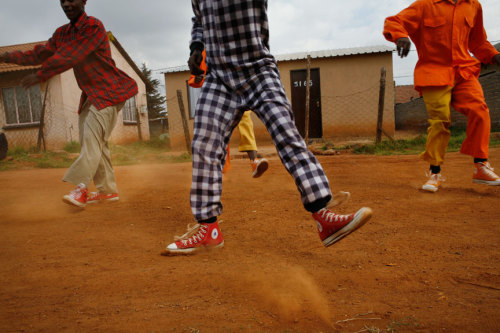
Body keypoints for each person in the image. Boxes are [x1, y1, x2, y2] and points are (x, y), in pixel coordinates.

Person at [162, 0, 372, 255]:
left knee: (287, 134)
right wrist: (197, 45)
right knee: (203, 144)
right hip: (218, 78)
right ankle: (209, 230)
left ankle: (323, 217)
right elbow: (198, 19)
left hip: (258, 71)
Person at [0, 0, 138, 207]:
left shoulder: (93, 26)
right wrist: (5, 56)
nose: (66, 4)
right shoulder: (62, 33)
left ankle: (81, 189)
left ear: (83, 1)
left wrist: (42, 74)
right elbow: (41, 53)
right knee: (92, 142)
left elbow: (71, 55)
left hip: (109, 92)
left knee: (92, 140)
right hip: (90, 95)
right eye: (62, 0)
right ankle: (107, 191)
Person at [384, 0, 500, 192]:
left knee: (480, 110)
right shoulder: (425, 5)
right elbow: (394, 21)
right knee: (440, 120)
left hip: (463, 71)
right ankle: (434, 172)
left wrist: (494, 55)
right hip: (433, 72)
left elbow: (478, 41)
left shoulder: (473, 6)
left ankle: (481, 165)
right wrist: (400, 36)